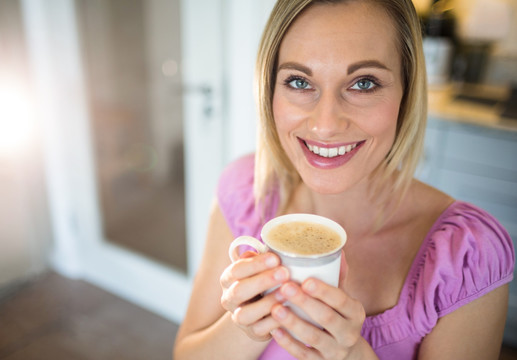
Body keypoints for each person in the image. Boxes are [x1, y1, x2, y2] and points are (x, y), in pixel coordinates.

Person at [173, 0, 515, 359]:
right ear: (269, 91)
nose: (326, 125)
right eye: (299, 81)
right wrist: (244, 326)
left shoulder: (468, 254)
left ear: (407, 92)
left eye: (364, 84)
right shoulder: (244, 189)